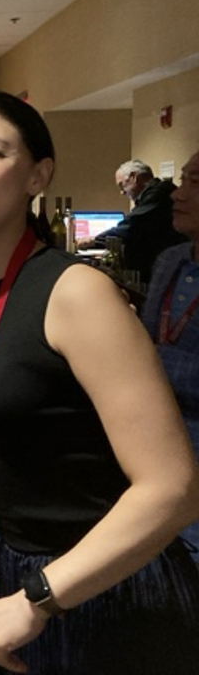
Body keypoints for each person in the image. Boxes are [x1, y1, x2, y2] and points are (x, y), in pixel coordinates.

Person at [0, 90, 199, 675]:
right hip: (24, 581)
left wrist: (43, 596)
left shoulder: (76, 292)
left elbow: (172, 487)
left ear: (38, 175)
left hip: (107, 592)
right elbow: (17, 437)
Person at [142, 148, 199, 566]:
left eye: (195, 183)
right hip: (152, 460)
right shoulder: (170, 261)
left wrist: (145, 361)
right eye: (181, 180)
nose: (177, 195)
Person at [83, 159, 185, 281]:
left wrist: (93, 240)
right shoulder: (153, 194)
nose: (122, 192)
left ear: (133, 177)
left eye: (122, 185)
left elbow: (130, 226)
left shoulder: (159, 194)